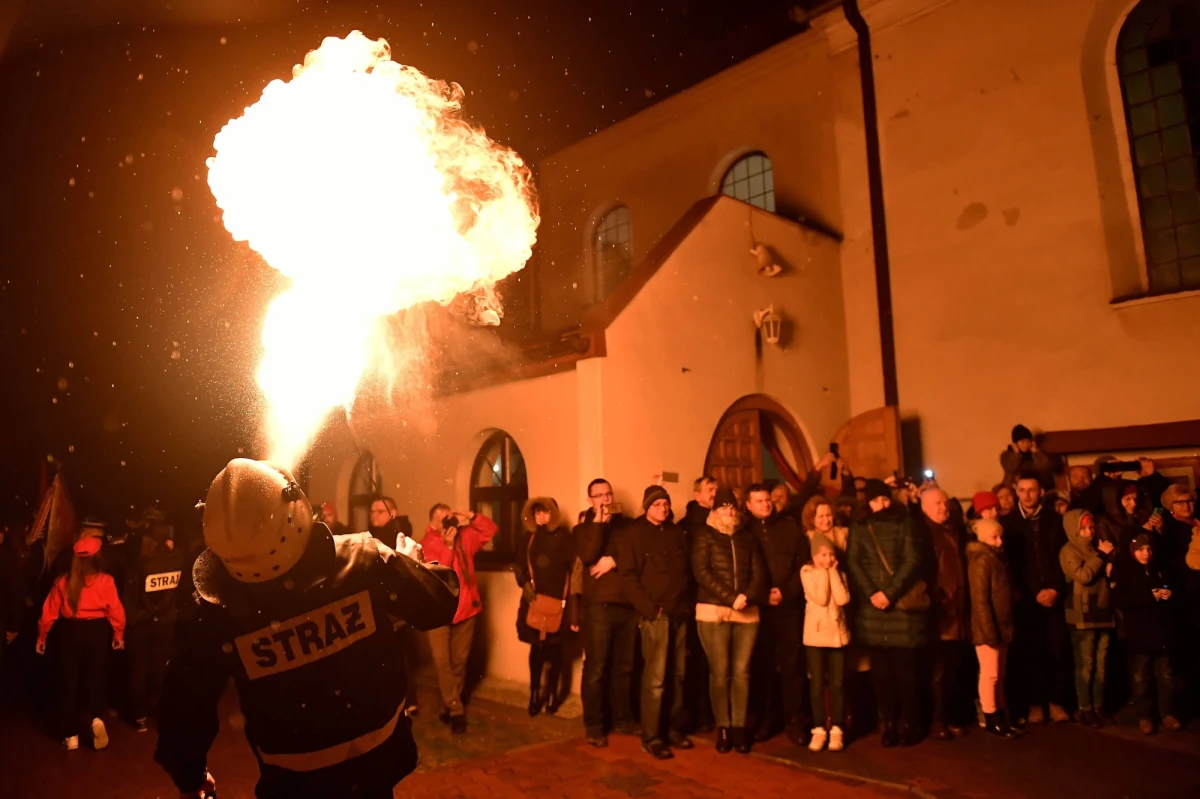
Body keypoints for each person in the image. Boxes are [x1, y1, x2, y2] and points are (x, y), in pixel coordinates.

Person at [154, 459, 458, 799]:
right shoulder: (362, 558)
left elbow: (183, 709)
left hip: (291, 787)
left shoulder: (214, 615)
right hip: (377, 770)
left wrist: (190, 776)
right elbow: (438, 605)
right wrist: (413, 565)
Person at [846, 479, 927, 748]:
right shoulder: (859, 527)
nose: (880, 504)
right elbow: (854, 562)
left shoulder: (904, 522)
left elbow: (912, 559)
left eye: (883, 499)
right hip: (874, 610)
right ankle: (889, 723)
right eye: (875, 500)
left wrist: (888, 593)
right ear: (867, 502)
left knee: (906, 672)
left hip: (899, 607)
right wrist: (873, 593)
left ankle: (908, 722)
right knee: (881, 673)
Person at [618, 485, 692, 760]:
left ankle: (673, 728)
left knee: (679, 675)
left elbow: (686, 571)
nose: (663, 509)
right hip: (656, 615)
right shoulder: (634, 534)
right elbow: (628, 578)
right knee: (656, 678)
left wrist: (685, 605)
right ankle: (652, 736)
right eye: (657, 504)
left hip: (679, 613)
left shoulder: (676, 533)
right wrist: (652, 611)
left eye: (666, 504)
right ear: (646, 506)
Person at [692, 487, 766, 755]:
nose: (728, 512)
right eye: (723, 507)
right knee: (720, 673)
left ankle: (739, 726)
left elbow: (759, 573)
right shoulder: (705, 535)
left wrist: (747, 596)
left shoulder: (748, 538)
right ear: (714, 511)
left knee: (742, 672)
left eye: (732, 508)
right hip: (715, 612)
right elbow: (702, 572)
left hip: (746, 613)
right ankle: (722, 726)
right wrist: (731, 598)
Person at [37, 536, 126, 751]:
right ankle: (96, 719)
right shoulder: (107, 581)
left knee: (69, 683)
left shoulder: (62, 582)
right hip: (97, 632)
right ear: (98, 558)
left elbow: (48, 613)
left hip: (70, 633)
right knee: (95, 678)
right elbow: (116, 611)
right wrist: (118, 635)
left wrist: (42, 637)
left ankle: (71, 736)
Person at [418, 504, 497, 735]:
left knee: (459, 662)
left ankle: (449, 705)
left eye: (450, 518)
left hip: (466, 608)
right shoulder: (426, 543)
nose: (449, 524)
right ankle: (456, 710)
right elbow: (439, 572)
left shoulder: (466, 536)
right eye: (443, 520)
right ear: (433, 524)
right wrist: (449, 546)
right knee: (443, 663)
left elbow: (491, 531)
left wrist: (471, 517)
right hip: (439, 611)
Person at [575, 478, 640, 747]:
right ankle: (595, 725)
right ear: (590, 500)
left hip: (627, 604)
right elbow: (589, 555)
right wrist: (599, 524)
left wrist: (614, 560)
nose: (605, 498)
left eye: (608, 493)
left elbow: (637, 554)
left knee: (624, 667)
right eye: (599, 495)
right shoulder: (583, 529)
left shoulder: (627, 525)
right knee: (597, 668)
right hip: (598, 607)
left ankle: (623, 720)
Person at [1002, 472, 1070, 726]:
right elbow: (1009, 564)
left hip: (1053, 595)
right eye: (1023, 490)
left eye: (1032, 490)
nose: (1027, 495)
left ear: (1041, 492)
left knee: (1057, 650)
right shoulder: (1007, 524)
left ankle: (1056, 701)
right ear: (1016, 491)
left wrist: (1055, 588)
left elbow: (1062, 558)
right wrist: (1026, 592)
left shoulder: (1056, 521)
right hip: (1025, 600)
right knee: (1029, 652)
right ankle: (1034, 703)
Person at [745, 483, 810, 745]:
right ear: (748, 505)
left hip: (789, 607)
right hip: (758, 609)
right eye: (759, 501)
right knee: (762, 667)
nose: (765, 504)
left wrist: (786, 591)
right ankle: (766, 719)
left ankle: (795, 722)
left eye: (767, 500)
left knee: (792, 667)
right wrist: (762, 595)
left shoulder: (789, 528)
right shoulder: (745, 534)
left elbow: (803, 564)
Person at [514, 497, 579, 718]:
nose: (542, 516)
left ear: (554, 513)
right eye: (538, 513)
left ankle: (552, 694)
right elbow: (519, 564)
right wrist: (524, 583)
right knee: (536, 651)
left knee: (556, 652)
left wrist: (572, 606)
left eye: (546, 512)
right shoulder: (528, 539)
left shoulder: (565, 538)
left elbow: (574, 570)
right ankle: (534, 694)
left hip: (559, 602)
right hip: (534, 601)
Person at [1114, 534, 1181, 734]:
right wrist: (1147, 596)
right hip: (1139, 633)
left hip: (1161, 633)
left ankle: (1167, 713)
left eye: (1149, 549)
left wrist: (1168, 591)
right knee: (1141, 678)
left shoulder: (1158, 568)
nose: (1146, 554)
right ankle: (1144, 716)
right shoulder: (1124, 571)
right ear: (1133, 551)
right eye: (1141, 550)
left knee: (1165, 676)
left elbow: (1169, 583)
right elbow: (1121, 600)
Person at [918, 488, 971, 740]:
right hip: (942, 610)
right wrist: (938, 599)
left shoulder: (953, 531)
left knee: (952, 668)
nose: (944, 507)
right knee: (939, 669)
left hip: (957, 607)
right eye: (937, 503)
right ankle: (938, 719)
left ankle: (949, 716)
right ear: (925, 507)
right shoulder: (925, 534)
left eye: (945, 503)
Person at [1059, 509, 1116, 728]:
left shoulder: (1097, 547)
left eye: (1091, 527)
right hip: (1081, 614)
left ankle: (1098, 706)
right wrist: (1101, 557)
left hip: (1103, 610)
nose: (1088, 532)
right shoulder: (1068, 551)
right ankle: (1084, 707)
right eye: (1083, 528)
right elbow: (1083, 576)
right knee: (1086, 663)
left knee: (1101, 662)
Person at [123, 522, 182, 733]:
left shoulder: (136, 565)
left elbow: (129, 597)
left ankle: (140, 716)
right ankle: (160, 709)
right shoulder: (174, 562)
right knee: (160, 670)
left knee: (137, 671)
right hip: (164, 624)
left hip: (139, 625)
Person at [967, 519, 1020, 739]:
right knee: (991, 674)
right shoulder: (982, 561)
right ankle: (991, 717)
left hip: (1000, 625)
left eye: (1000, 536)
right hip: (989, 628)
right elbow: (980, 601)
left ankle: (1000, 714)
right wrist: (989, 632)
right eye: (994, 537)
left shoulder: (995, 559)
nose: (999, 541)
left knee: (999, 674)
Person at [801, 532, 851, 752]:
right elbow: (821, 599)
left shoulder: (838, 573)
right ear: (814, 556)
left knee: (838, 684)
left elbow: (842, 599)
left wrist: (832, 573)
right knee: (817, 683)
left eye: (830, 554)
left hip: (837, 635)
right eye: (822, 554)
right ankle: (819, 727)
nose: (827, 558)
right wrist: (823, 573)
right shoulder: (807, 572)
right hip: (816, 635)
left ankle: (837, 728)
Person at [678, 475, 717, 733]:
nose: (714, 493)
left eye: (716, 489)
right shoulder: (686, 526)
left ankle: (710, 712)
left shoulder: (721, 521)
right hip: (693, 601)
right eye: (709, 489)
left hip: (716, 601)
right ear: (697, 495)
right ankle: (696, 713)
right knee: (694, 661)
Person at [1000, 425, 1055, 489]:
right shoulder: (1006, 455)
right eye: (1022, 441)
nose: (1026, 444)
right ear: (1015, 442)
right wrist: (1016, 454)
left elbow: (1045, 468)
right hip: (1013, 489)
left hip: (1032, 488)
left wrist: (1035, 453)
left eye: (1028, 441)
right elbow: (1010, 468)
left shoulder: (1036, 454)